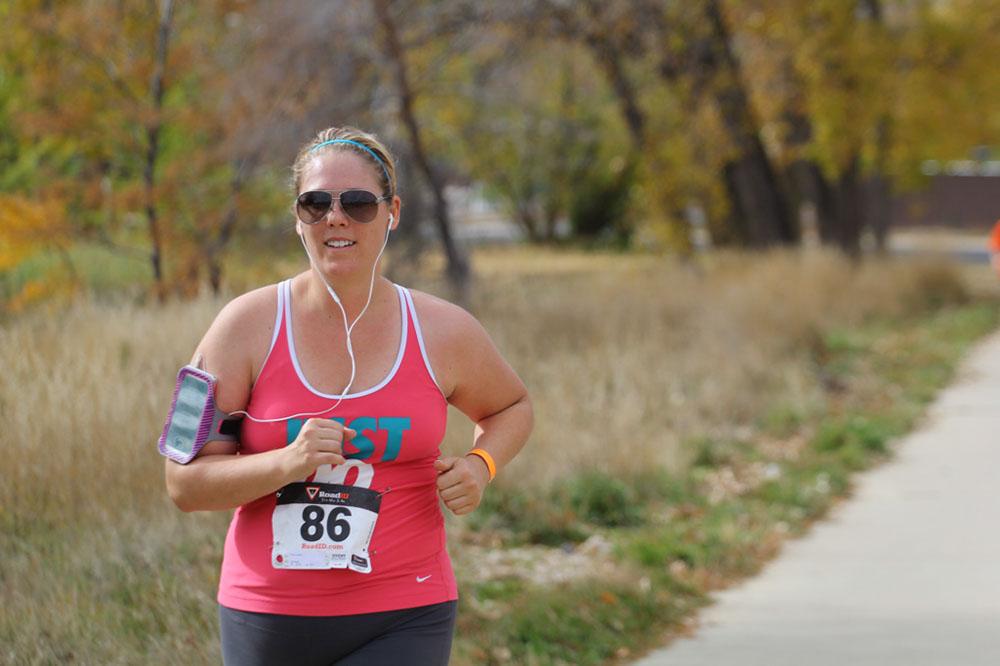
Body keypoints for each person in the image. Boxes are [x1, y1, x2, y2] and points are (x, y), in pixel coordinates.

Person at [163, 126, 533, 665]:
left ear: (392, 213)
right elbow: (183, 484)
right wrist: (286, 462)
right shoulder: (240, 327)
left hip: (407, 608)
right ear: (298, 218)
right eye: (315, 204)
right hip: (268, 615)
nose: (335, 218)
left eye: (358, 203)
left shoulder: (444, 330)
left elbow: (512, 407)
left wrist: (482, 465)